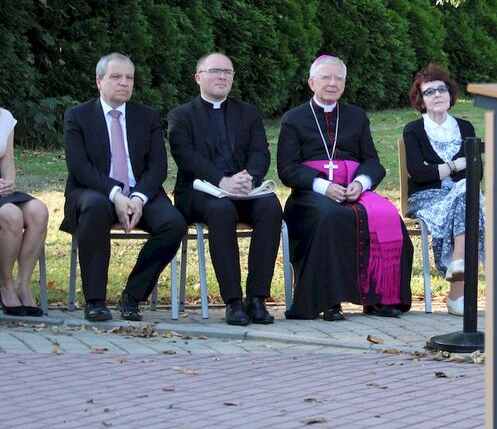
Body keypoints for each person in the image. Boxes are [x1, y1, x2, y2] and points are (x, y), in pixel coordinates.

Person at [277, 55, 412, 321]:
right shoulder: (294, 119)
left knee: (388, 216)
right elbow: (287, 168)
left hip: (354, 190)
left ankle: (381, 296)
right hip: (310, 195)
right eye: (326, 77)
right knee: (330, 216)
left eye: (339, 78)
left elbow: (372, 161)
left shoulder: (356, 116)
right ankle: (329, 300)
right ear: (311, 82)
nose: (332, 83)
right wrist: (323, 185)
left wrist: (360, 183)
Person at [61, 53, 187, 322]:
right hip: (93, 190)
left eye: (129, 78)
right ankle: (95, 301)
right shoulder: (77, 116)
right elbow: (79, 167)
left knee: (173, 224)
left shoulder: (148, 116)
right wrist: (115, 194)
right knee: (94, 209)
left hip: (142, 191)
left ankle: (132, 296)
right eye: (116, 77)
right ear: (99, 82)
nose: (124, 83)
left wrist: (139, 197)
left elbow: (157, 168)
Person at [168, 53, 284, 326]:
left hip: (244, 190)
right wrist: (221, 181)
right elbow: (187, 158)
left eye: (228, 72)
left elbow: (260, 152)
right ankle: (233, 301)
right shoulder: (181, 116)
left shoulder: (248, 113)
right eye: (215, 71)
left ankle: (256, 298)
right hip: (201, 192)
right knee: (222, 211)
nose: (222, 77)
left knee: (270, 207)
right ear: (198, 77)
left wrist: (250, 178)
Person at [403, 63, 485, 316]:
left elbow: (476, 172)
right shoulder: (414, 130)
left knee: (464, 194)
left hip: (461, 196)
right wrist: (455, 165)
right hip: (427, 199)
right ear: (421, 100)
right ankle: (457, 295)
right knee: (468, 197)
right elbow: (418, 173)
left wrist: (438, 169)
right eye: (429, 92)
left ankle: (458, 262)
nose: (437, 95)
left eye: (442, 89)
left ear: (450, 95)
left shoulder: (465, 127)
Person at [0, 107, 49, 316]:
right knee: (12, 215)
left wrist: (9, 183)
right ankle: (5, 284)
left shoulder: (5, 117)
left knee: (39, 211)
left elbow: (7, 161)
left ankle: (23, 283)